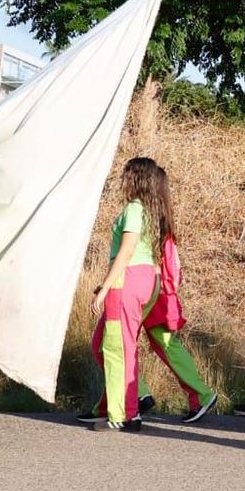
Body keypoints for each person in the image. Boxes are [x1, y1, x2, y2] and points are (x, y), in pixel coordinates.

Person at [81, 157, 168, 431]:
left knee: (116, 347)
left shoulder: (134, 209)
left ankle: (123, 415)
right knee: (104, 344)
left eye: (126, 175)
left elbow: (127, 249)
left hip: (127, 280)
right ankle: (120, 405)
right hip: (146, 279)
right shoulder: (153, 209)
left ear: (135, 179)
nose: (122, 180)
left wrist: (105, 287)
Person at [138, 163, 216, 423]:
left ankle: (139, 394)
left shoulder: (149, 217)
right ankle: (198, 395)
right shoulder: (162, 216)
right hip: (161, 290)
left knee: (117, 341)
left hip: (153, 289)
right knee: (165, 345)